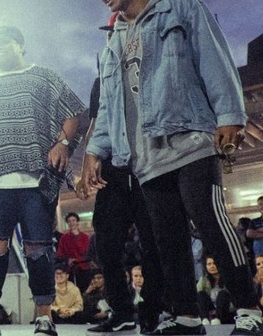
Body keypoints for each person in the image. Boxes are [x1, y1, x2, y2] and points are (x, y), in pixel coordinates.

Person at [83, 0, 261, 334]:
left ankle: (250, 310)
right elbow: (108, 106)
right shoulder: (113, 43)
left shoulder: (180, 8)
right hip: (146, 157)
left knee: (210, 222)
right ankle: (187, 318)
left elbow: (213, 57)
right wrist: (95, 150)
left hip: (190, 138)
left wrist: (230, 115)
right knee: (169, 240)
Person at [0, 23, 84, 336]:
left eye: (4, 44)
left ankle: (44, 317)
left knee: (38, 249)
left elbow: (74, 111)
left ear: (20, 45)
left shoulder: (44, 77)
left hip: (34, 180)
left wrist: (62, 143)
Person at [77, 12, 166, 335]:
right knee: (106, 242)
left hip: (147, 165)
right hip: (113, 171)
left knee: (154, 241)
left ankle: (155, 309)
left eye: (116, 31)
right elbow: (94, 125)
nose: (111, 37)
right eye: (109, 32)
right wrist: (86, 165)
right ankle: (122, 310)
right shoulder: (102, 81)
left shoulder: (148, 69)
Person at [56, 212, 90, 289]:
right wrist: (68, 259)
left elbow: (87, 252)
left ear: (77, 222)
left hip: (83, 268)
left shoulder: (85, 237)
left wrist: (77, 260)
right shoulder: (64, 238)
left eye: (73, 220)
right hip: (70, 269)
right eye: (69, 221)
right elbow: (60, 254)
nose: (71, 223)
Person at [197, 256, 235, 325]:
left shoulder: (229, 278)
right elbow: (198, 297)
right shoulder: (204, 279)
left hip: (226, 311)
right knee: (201, 294)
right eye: (209, 264)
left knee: (223, 294)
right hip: (210, 311)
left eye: (214, 263)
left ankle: (217, 318)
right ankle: (204, 319)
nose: (212, 266)